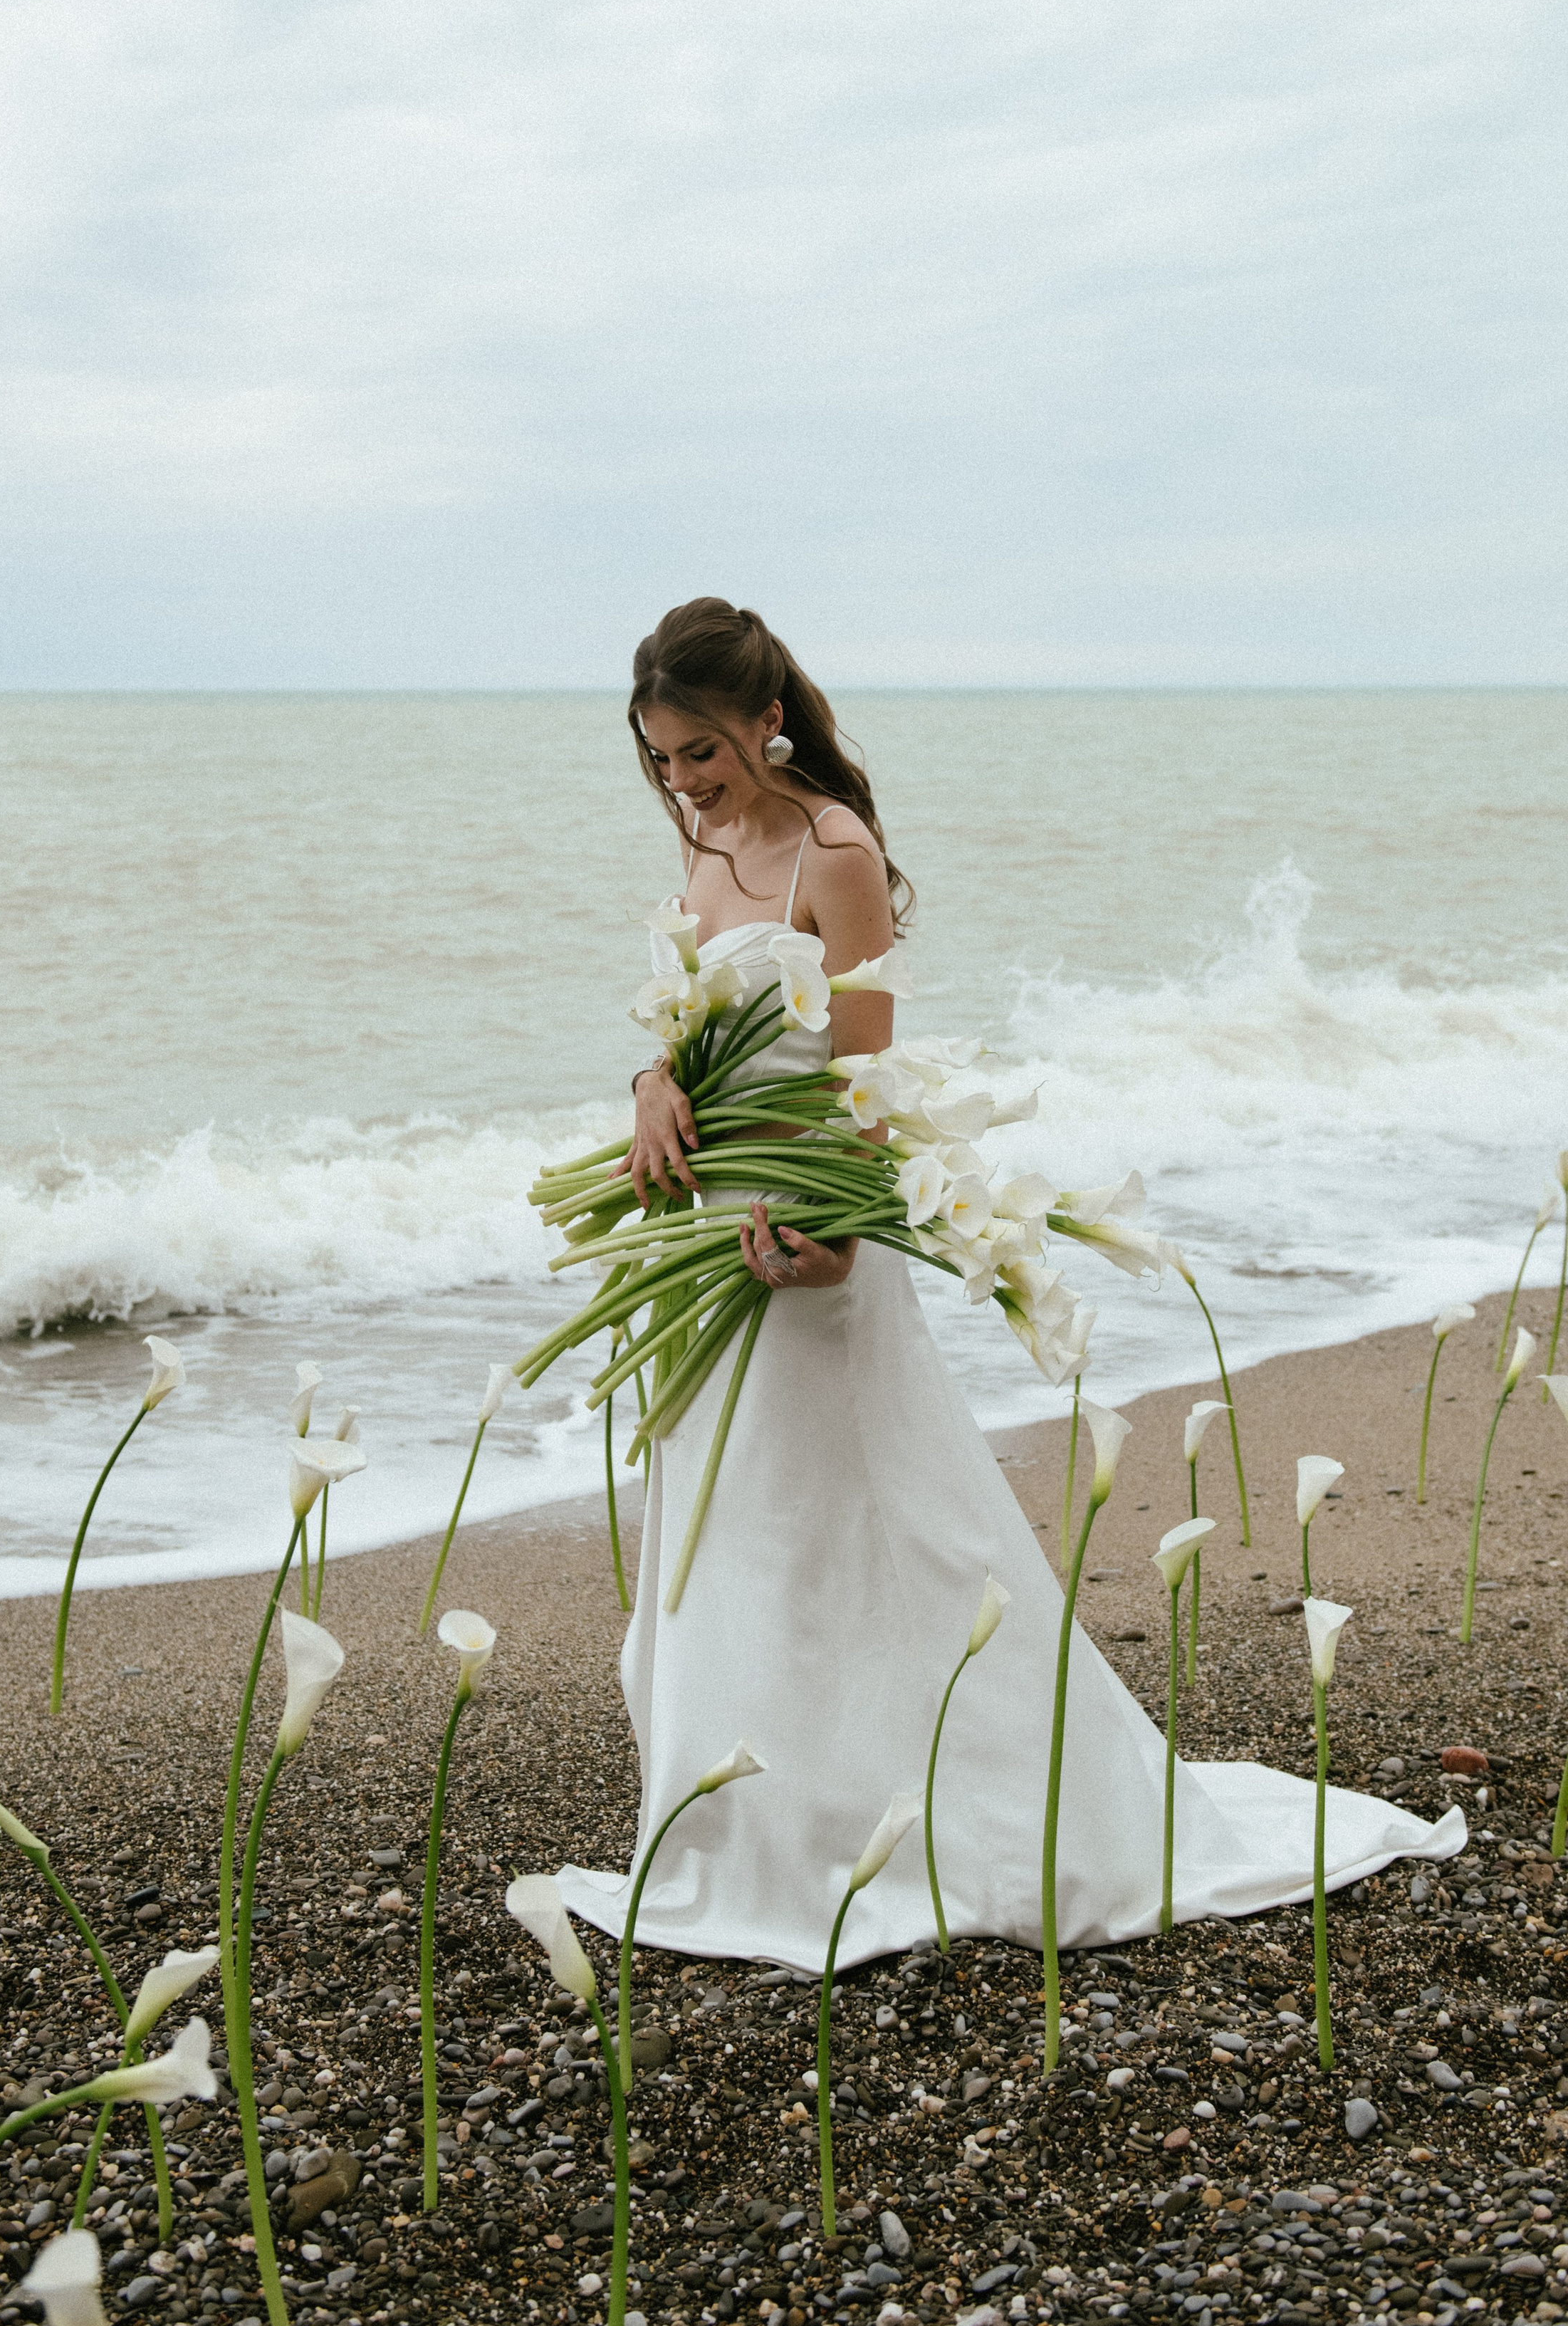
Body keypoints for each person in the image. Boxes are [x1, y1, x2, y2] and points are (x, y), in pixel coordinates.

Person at [557, 598, 1462, 1971]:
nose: (683, 782)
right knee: (735, 1529)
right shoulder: (707, 839)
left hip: (810, 1229)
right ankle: (759, 1825)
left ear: (765, 721)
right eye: (662, 757)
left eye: (702, 752)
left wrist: (839, 1238)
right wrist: (649, 1088)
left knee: (868, 1526)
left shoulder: (834, 849)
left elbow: (861, 1075)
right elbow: (692, 1026)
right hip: (715, 1218)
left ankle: (935, 1820)